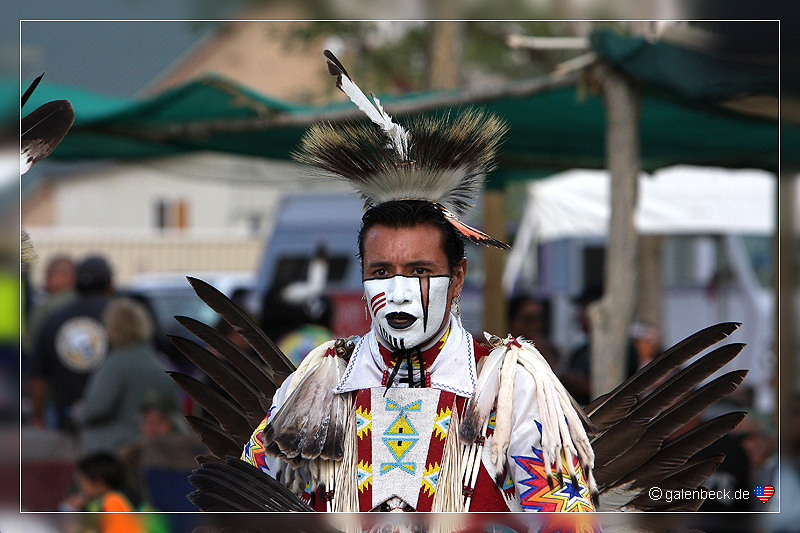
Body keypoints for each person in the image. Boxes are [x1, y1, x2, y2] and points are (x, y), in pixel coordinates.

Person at [237, 51, 596, 513]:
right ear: (362, 276)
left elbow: (565, 519)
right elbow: (248, 506)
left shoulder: (509, 386)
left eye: (421, 271)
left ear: (459, 276)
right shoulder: (320, 381)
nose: (400, 290)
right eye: (381, 272)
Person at [76, 298, 177, 455]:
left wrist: (79, 412)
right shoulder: (158, 363)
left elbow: (96, 408)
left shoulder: (115, 364)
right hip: (153, 448)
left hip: (114, 450)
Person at [29, 255, 114, 431]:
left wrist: (38, 417)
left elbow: (37, 375)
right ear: (109, 282)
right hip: (112, 422)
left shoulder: (54, 318)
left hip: (63, 418)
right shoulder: (120, 318)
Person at [60, 453, 144, 533]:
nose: (81, 487)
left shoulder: (115, 501)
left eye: (83, 481)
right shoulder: (99, 502)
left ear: (98, 482)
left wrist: (69, 511)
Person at [22, 255, 76, 359]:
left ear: (63, 276)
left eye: (49, 274)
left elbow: (29, 343)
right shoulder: (81, 301)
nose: (45, 279)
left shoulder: (46, 305)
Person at [507, 295, 560, 369]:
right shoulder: (504, 353)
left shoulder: (551, 351)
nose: (535, 325)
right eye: (528, 319)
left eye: (539, 319)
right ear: (513, 322)